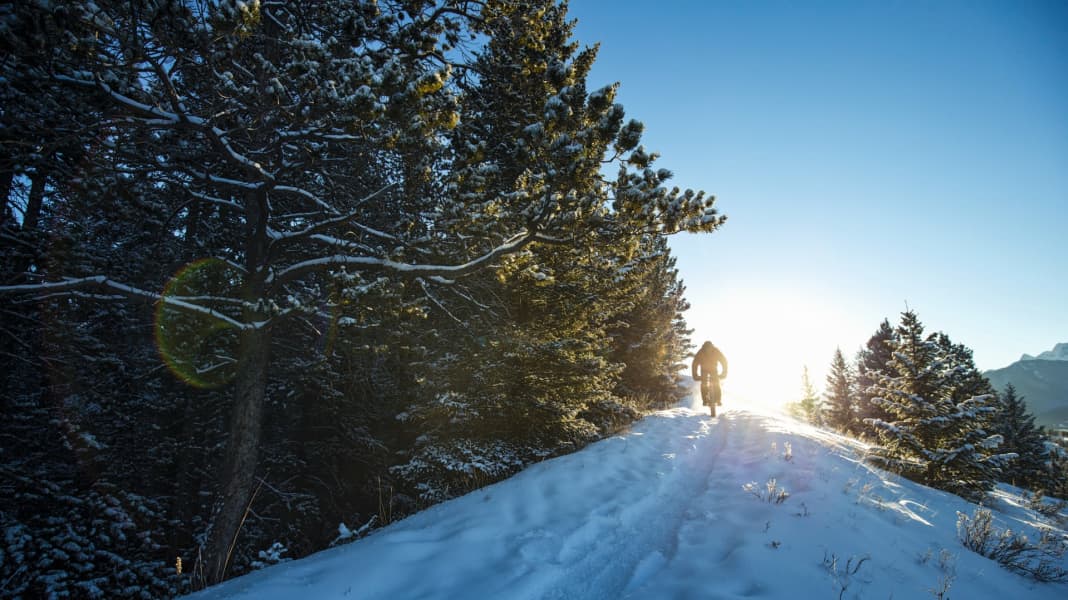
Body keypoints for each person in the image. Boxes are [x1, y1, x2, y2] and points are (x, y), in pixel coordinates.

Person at [692, 341, 728, 416]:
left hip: (711, 369)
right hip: (706, 370)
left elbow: (724, 361)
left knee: (714, 383)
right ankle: (709, 400)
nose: (708, 350)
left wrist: (724, 372)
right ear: (704, 348)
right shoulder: (701, 352)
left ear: (711, 347)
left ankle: (715, 400)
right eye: (706, 349)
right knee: (707, 383)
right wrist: (695, 375)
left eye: (709, 349)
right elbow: (695, 364)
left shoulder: (715, 351)